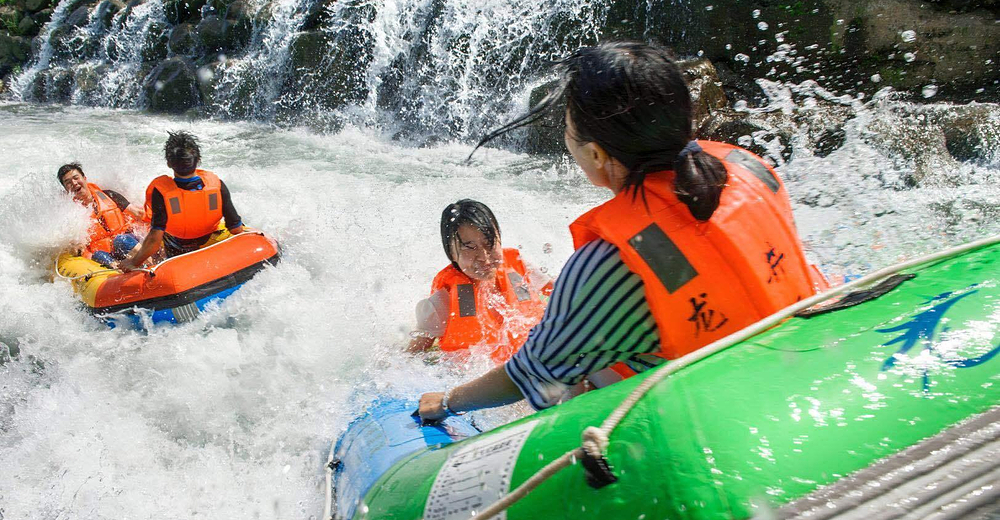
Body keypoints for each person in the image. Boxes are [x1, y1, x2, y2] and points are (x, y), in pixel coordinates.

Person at [418, 42, 827, 421]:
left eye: (567, 126)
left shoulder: (607, 264)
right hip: (801, 376)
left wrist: (450, 401)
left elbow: (532, 375)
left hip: (707, 422)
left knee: (573, 380)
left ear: (595, 153)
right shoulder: (750, 170)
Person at [407, 199, 552, 364]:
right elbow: (411, 359)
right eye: (470, 247)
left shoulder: (520, 268)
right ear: (452, 254)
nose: (484, 257)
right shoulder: (442, 303)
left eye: (489, 243)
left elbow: (564, 296)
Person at [120, 131, 244, 270]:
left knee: (121, 241)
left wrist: (133, 262)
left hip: (179, 251)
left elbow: (155, 239)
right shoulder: (217, 185)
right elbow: (236, 229)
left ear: (169, 163)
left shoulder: (161, 192)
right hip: (211, 244)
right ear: (198, 159)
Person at [58, 162, 143, 267]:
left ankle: (151, 264)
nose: (74, 183)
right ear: (66, 190)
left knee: (121, 240)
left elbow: (137, 213)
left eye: (76, 178)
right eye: (68, 182)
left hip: (128, 241)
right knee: (98, 255)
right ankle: (120, 275)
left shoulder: (109, 195)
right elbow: (78, 243)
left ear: (84, 178)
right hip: (107, 253)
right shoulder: (72, 214)